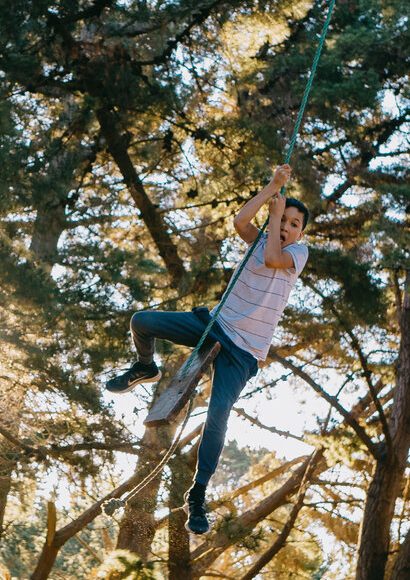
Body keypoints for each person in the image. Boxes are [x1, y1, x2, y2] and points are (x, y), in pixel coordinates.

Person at [106, 165, 310, 533]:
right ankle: (144, 366)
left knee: (218, 415)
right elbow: (239, 220)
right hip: (214, 324)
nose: (287, 226)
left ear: (301, 233)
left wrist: (278, 213)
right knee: (141, 320)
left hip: (244, 351)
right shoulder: (259, 239)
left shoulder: (298, 255)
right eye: (285, 220)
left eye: (295, 223)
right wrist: (272, 188)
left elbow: (273, 259)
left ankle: (196, 495)